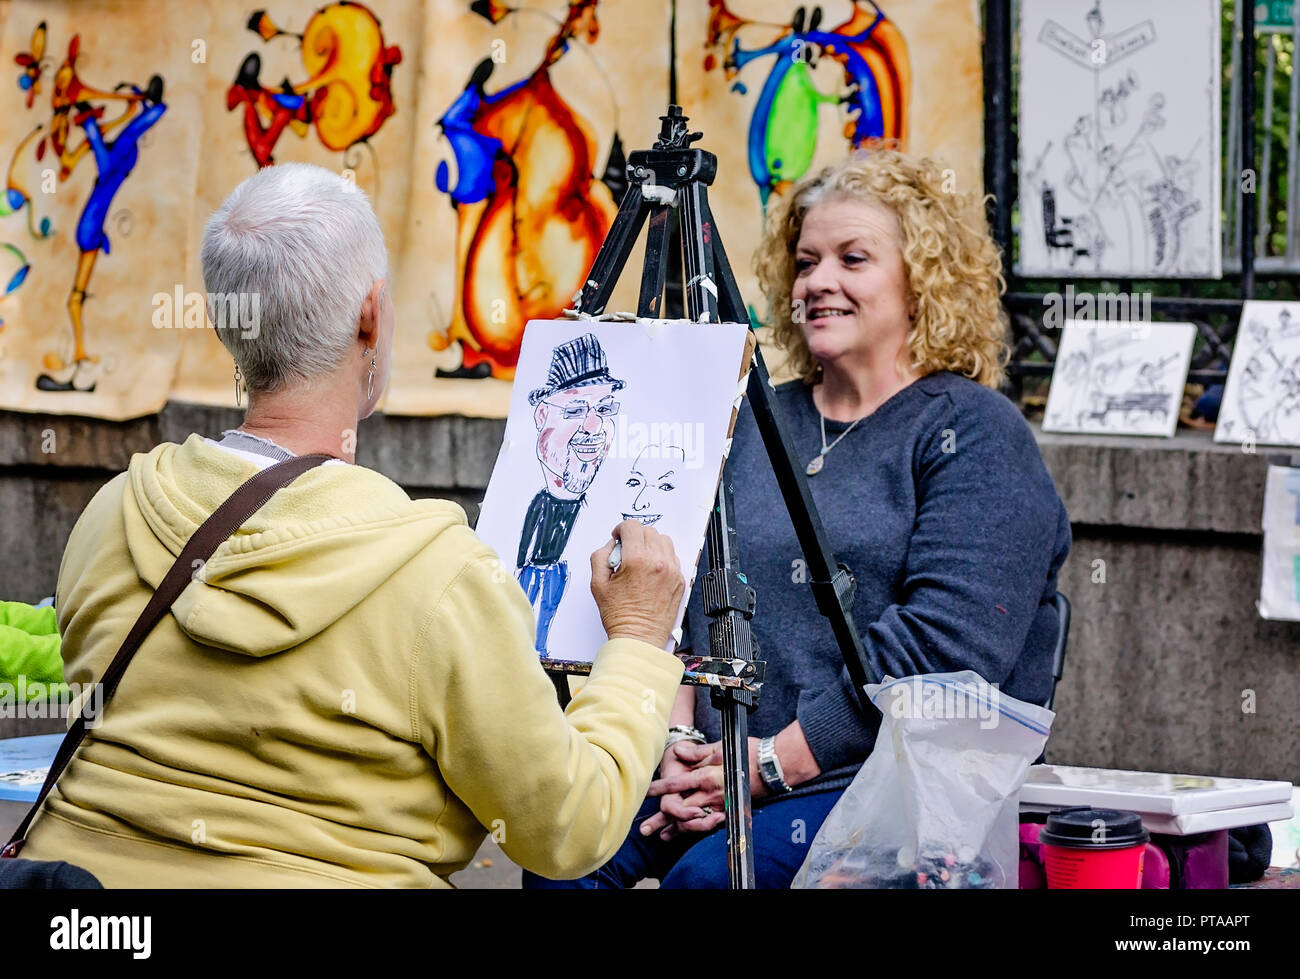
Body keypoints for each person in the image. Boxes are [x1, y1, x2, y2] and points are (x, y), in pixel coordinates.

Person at [19, 163, 687, 888]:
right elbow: (570, 828)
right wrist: (639, 644)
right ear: (372, 314)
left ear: (223, 320)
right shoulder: (436, 576)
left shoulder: (112, 511)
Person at [524, 150, 1072, 889]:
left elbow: (944, 651)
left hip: (868, 782)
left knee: (709, 881)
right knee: (564, 851)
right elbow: (681, 586)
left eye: (853, 259)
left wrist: (768, 765)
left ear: (922, 279)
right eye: (807, 262)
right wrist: (682, 740)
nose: (819, 281)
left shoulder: (974, 434)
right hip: (715, 763)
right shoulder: (754, 417)